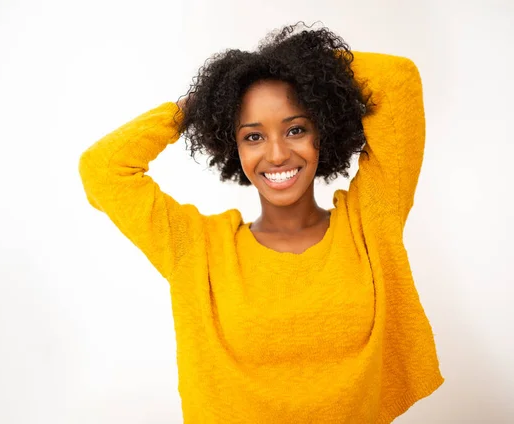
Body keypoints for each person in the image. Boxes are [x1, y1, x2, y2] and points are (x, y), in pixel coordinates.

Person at [79, 22, 443, 424]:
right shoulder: (198, 250)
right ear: (231, 145)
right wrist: (196, 107)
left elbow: (398, 79)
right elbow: (103, 170)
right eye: (253, 136)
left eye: (296, 129)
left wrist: (303, 70)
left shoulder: (368, 225)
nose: (277, 154)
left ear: (322, 131)